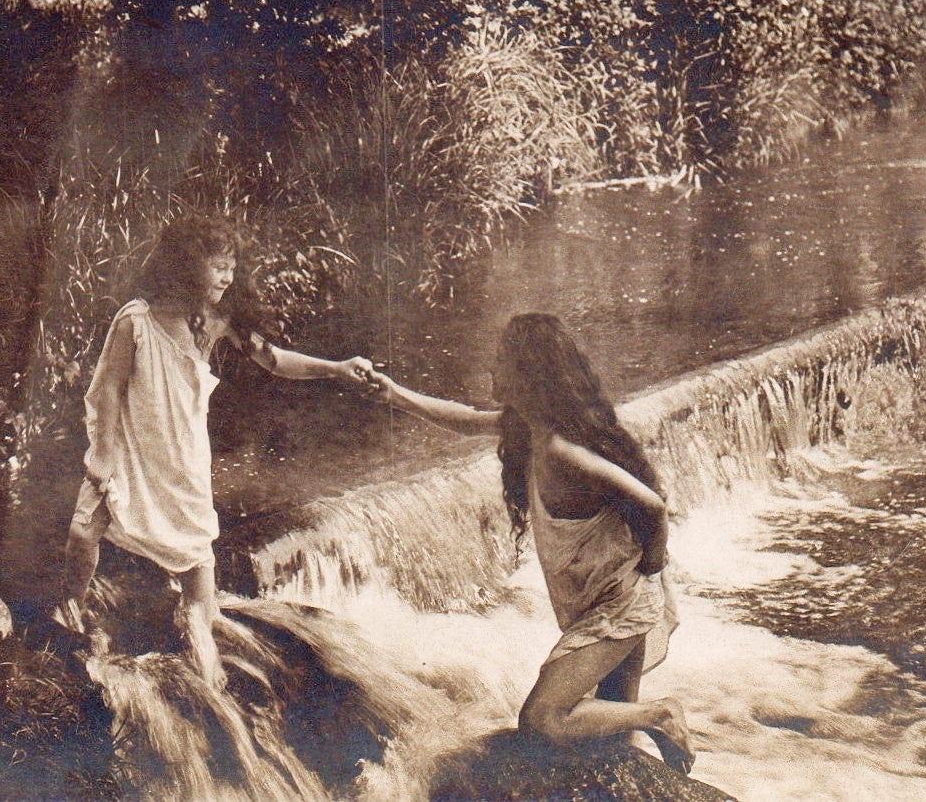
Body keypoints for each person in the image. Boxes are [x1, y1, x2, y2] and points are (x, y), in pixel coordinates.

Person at [367, 313, 693, 773]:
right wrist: (397, 395)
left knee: (542, 718)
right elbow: (465, 420)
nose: (492, 369)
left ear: (527, 373)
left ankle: (662, 716)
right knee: (613, 741)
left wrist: (653, 568)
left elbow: (652, 505)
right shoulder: (528, 428)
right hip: (606, 599)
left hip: (618, 606)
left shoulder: (563, 450)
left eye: (501, 360)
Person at [56, 214, 375, 682]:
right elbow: (107, 391)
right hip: (128, 448)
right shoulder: (137, 320)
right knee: (83, 533)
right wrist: (102, 453)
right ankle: (71, 617)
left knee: (195, 556)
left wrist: (338, 367)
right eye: (218, 266)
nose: (227, 277)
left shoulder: (218, 321)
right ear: (186, 266)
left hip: (181, 452)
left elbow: (274, 360)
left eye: (231, 267)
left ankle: (204, 645)